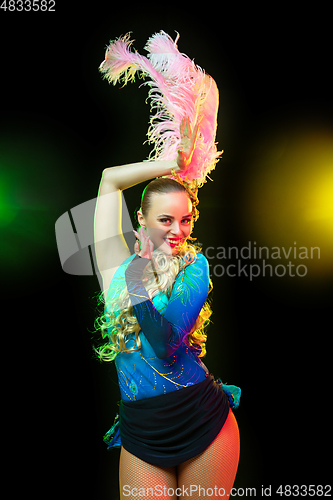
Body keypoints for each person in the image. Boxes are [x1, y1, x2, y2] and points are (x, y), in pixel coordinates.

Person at [93, 32, 241, 499]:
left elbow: (162, 337)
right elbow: (108, 179)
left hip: (201, 421)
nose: (177, 230)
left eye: (186, 219)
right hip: (142, 433)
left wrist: (142, 274)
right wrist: (162, 163)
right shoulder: (113, 265)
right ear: (140, 220)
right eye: (164, 219)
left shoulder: (194, 268)